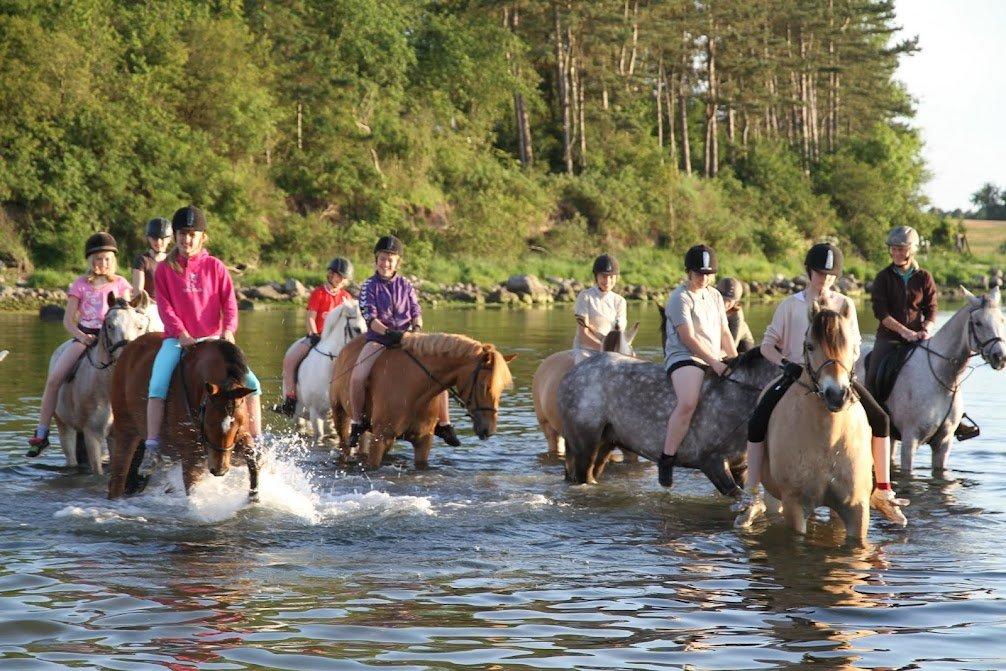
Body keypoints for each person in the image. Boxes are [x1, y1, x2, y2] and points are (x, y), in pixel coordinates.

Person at [733, 242, 907, 527]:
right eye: (818, 273)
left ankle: (884, 491)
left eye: (829, 275)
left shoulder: (844, 305)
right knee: (757, 420)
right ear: (809, 272)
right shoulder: (791, 305)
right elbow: (767, 345)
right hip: (796, 375)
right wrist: (785, 364)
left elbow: (854, 345)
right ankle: (752, 494)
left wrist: (846, 368)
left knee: (882, 418)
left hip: (839, 377)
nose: (823, 279)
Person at [141, 206, 262, 473]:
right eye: (183, 234)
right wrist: (182, 334)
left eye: (193, 234)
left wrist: (228, 331)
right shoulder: (164, 270)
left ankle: (256, 440)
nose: (187, 239)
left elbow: (229, 304)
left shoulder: (216, 267)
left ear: (203, 237)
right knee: (158, 383)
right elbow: (165, 307)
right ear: (176, 237)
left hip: (214, 338)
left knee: (253, 383)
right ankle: (152, 446)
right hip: (177, 339)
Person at [347, 235, 459, 449]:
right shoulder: (369, 286)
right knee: (357, 377)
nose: (385, 263)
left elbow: (416, 310)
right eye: (382, 258)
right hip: (380, 339)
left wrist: (416, 328)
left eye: (390, 260)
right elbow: (370, 318)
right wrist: (389, 333)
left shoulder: (406, 284)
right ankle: (357, 422)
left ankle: (444, 424)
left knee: (440, 372)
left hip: (408, 338)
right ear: (376, 259)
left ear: (397, 262)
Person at [27, 233, 133, 456]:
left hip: (113, 339)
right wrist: (82, 336)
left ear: (113, 260)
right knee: (55, 377)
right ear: (90, 261)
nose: (102, 264)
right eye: (97, 259)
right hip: (87, 336)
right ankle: (42, 431)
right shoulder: (81, 285)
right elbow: (68, 320)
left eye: (106, 259)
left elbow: (127, 316)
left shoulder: (122, 284)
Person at [658, 244, 738, 486]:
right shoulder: (679, 298)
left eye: (708, 274)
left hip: (715, 355)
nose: (703, 278)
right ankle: (667, 458)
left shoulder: (714, 295)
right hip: (685, 357)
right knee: (688, 402)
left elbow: (724, 332)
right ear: (688, 272)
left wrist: (736, 361)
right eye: (699, 273)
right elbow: (688, 338)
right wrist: (714, 362)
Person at [275, 257, 354, 417]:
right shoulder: (318, 293)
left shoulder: (346, 297)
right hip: (316, 337)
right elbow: (311, 317)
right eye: (341, 276)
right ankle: (290, 399)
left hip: (337, 343)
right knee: (290, 360)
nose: (343, 280)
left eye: (345, 278)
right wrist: (314, 334)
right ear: (331, 275)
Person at [572, 254, 627, 355]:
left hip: (613, 351)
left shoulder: (620, 301)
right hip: (587, 350)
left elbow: (620, 332)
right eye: (604, 276)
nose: (607, 281)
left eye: (611, 277)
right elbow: (583, 335)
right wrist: (603, 350)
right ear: (596, 276)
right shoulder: (585, 297)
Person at [131, 217, 172, 300]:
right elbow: (138, 291)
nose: (159, 242)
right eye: (155, 238)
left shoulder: (173, 261)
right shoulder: (142, 260)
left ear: (169, 239)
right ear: (149, 238)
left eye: (162, 238)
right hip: (148, 306)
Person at [716, 277, 754, 353]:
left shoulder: (737, 314)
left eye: (730, 301)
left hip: (741, 340)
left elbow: (733, 342)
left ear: (736, 301)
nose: (725, 304)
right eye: (723, 299)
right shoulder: (709, 306)